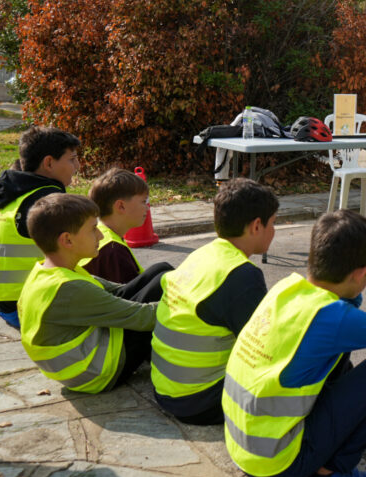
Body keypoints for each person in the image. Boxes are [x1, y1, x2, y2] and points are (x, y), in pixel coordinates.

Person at [222, 211, 366, 477]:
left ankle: (321, 459)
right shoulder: (334, 317)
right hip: (278, 465)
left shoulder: (288, 289)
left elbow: (344, 306)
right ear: (362, 272)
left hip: (243, 445)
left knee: (337, 354)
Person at [152, 179, 277, 425]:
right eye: (273, 223)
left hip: (167, 391)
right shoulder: (242, 275)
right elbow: (265, 352)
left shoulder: (202, 254)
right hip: (200, 401)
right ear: (256, 226)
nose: (274, 230)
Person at [17, 193, 171, 393]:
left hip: (79, 364)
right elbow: (143, 317)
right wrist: (191, 300)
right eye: (93, 229)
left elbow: (118, 291)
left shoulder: (49, 271)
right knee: (162, 291)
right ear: (67, 240)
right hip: (98, 373)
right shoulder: (68, 289)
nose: (100, 235)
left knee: (160, 271)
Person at [0, 125, 82, 328]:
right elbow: (83, 248)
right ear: (49, 163)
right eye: (72, 159)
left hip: (4, 304)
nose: (77, 166)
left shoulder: (9, 193)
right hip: (31, 305)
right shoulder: (47, 201)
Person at [83, 168, 149, 284]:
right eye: (143, 201)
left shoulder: (103, 234)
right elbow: (131, 298)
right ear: (121, 206)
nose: (147, 208)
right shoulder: (113, 250)